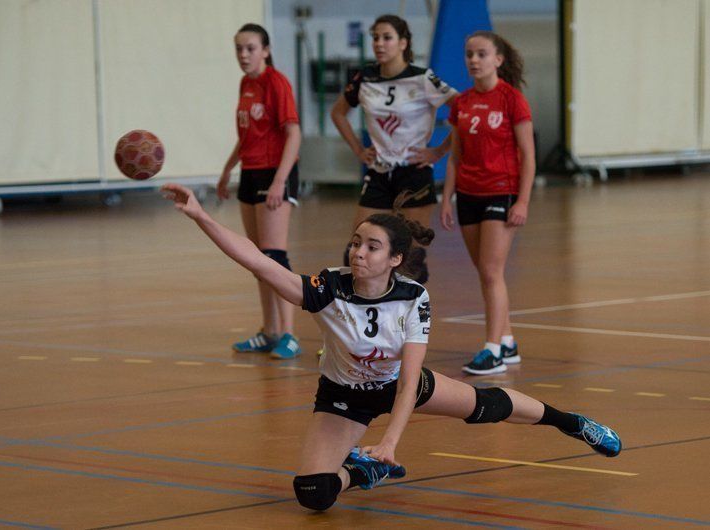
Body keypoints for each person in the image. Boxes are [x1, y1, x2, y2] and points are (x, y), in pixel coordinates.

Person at [161, 183, 622, 513]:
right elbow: (259, 262)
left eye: (372, 247)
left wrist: (391, 441)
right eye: (356, 242)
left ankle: (574, 423)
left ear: (395, 259)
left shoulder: (412, 298)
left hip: (398, 385)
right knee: (313, 493)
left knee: (485, 406)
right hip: (342, 398)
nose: (358, 252)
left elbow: (408, 383)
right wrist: (202, 216)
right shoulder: (328, 287)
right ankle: (363, 472)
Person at [331, 14, 459, 284]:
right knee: (356, 250)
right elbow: (338, 113)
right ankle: (369, 315)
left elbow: (463, 109)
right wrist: (358, 149)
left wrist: (438, 150)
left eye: (386, 37)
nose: (379, 43)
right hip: (379, 171)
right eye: (375, 37)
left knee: (411, 256)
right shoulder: (365, 77)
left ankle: (412, 319)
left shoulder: (422, 78)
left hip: (414, 172)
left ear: (403, 43)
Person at [438, 31, 536, 375]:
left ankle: (492, 350)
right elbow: (454, 157)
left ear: (498, 60)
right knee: (486, 272)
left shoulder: (512, 99)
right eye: (469, 54)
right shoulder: (461, 104)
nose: (474, 60)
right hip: (468, 194)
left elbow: (528, 154)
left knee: (493, 271)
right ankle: (507, 341)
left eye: (481, 54)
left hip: (501, 192)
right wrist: (447, 198)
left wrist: (522, 201)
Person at [218, 23, 302, 359]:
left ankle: (290, 334)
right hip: (251, 172)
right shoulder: (246, 83)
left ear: (265, 50)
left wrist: (281, 180)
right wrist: (227, 170)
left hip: (274, 171)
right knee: (256, 260)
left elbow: (293, 134)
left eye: (250, 48)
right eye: (238, 48)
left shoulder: (275, 82)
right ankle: (270, 331)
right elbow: (247, 135)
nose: (243, 54)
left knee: (274, 256)